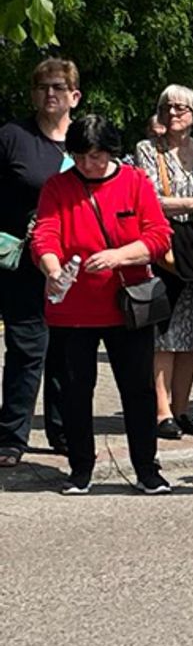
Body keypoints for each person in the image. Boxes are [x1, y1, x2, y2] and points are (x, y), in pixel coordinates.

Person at [30, 115, 173, 494]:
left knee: (138, 389)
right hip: (73, 308)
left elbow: (158, 237)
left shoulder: (135, 181)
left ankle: (146, 468)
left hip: (128, 303)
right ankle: (80, 469)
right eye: (80, 156)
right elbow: (45, 235)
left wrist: (118, 256)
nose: (88, 165)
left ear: (111, 151)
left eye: (95, 156)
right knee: (76, 391)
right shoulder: (58, 187)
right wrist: (52, 268)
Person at [0, 58, 74, 467]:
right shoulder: (12, 137)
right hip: (21, 264)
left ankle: (63, 432)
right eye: (43, 86)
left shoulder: (83, 143)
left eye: (59, 87)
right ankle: (12, 436)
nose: (51, 93)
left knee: (66, 350)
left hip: (72, 266)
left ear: (74, 96)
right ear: (33, 94)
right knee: (27, 348)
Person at [134, 85, 193, 440]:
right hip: (164, 244)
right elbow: (150, 199)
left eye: (181, 108)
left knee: (192, 335)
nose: (173, 113)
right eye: (167, 107)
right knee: (163, 335)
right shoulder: (147, 150)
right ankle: (161, 410)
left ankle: (182, 409)